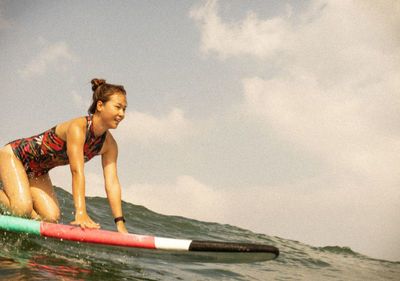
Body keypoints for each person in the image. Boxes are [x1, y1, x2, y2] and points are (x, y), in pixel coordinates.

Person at [0, 78, 128, 233]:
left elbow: (112, 183)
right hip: (15, 156)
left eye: (124, 109)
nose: (122, 114)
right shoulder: (78, 127)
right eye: (118, 107)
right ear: (100, 105)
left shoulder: (109, 145)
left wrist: (120, 223)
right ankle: (18, 204)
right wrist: (80, 211)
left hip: (38, 172)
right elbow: (76, 171)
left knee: (50, 218)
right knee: (21, 209)